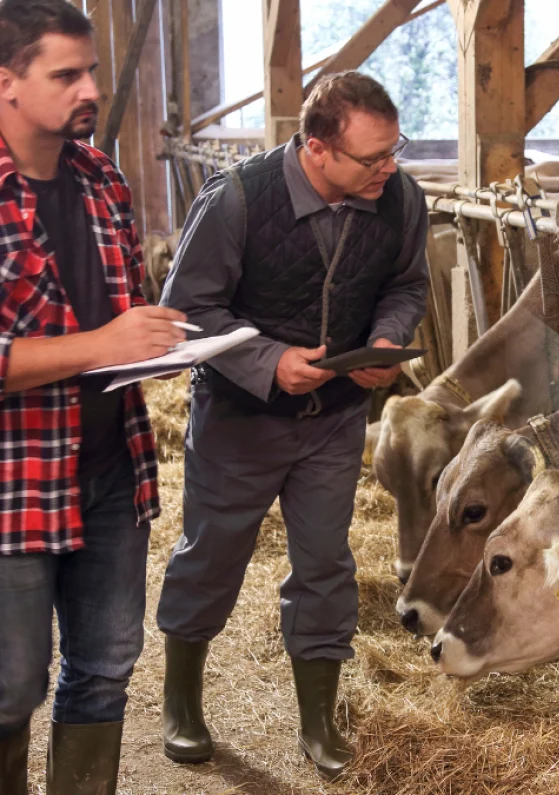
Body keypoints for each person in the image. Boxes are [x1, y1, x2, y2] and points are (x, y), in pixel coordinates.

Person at [156, 71, 430, 780]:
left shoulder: (400, 198)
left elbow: (405, 285)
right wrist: (269, 361)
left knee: (326, 564)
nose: (388, 167)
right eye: (372, 157)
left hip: (332, 420)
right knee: (211, 556)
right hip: (239, 419)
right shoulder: (237, 199)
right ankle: (181, 702)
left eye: (394, 149)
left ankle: (318, 718)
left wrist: (387, 340)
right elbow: (187, 311)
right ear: (316, 149)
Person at [0, 1, 192, 793]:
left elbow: (122, 313)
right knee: (10, 684)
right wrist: (104, 346)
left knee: (107, 664)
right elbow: (96, 341)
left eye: (92, 71)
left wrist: (159, 346)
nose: (90, 90)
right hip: (15, 482)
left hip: (113, 466)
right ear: (6, 83)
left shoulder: (102, 179)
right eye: (66, 75)